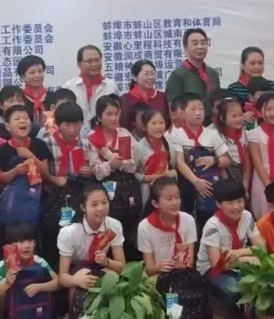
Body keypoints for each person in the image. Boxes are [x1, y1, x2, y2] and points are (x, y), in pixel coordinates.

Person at [139, 177, 212, 319]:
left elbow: (190, 261)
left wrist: (183, 263)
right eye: (169, 199)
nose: (175, 202)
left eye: (177, 197)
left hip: (184, 274)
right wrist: (160, 267)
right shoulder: (145, 227)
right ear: (155, 203)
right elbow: (149, 268)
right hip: (160, 277)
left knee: (199, 295)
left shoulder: (188, 220)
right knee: (174, 301)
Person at [196, 179, 263, 319]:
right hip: (212, 270)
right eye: (230, 203)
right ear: (219, 204)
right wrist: (246, 259)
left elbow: (261, 248)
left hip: (235, 263)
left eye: (239, 201)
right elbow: (216, 264)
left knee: (262, 280)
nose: (236, 207)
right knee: (235, 289)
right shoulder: (212, 226)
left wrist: (239, 253)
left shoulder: (247, 216)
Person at [57, 183, 127, 319]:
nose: (101, 208)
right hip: (77, 270)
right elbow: (62, 278)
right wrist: (77, 281)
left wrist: (107, 261)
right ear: (83, 207)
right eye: (94, 204)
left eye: (104, 202)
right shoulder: (69, 232)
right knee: (80, 286)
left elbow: (122, 267)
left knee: (112, 282)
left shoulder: (114, 225)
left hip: (102, 265)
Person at [84, 96, 140, 258]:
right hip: (105, 187)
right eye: (109, 114)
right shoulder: (92, 137)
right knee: (108, 226)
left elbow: (134, 164)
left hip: (127, 185)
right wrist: (110, 165)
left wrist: (118, 163)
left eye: (116, 113)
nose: (114, 118)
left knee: (129, 225)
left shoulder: (124, 133)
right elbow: (96, 170)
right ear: (99, 117)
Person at [40, 102, 95, 265]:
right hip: (54, 195)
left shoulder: (85, 143)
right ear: (58, 124)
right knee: (54, 233)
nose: (72, 130)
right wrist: (53, 178)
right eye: (67, 125)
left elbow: (94, 168)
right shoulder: (47, 142)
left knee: (76, 234)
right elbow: (40, 171)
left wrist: (89, 172)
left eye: (76, 124)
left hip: (78, 193)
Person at [169, 93, 231, 222]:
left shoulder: (212, 134)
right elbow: (179, 162)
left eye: (201, 109)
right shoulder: (177, 135)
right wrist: (196, 181)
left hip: (210, 185)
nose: (198, 113)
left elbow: (226, 161)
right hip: (187, 185)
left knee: (209, 219)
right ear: (183, 112)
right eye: (193, 109)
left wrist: (214, 160)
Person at [0, 105, 54, 230]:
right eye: (17, 119)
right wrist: (15, 172)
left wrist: (30, 155)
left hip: (36, 202)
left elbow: (45, 173)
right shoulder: (3, 150)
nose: (22, 121)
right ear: (8, 126)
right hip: (11, 204)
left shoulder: (39, 144)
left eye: (26, 118)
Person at [0, 222, 61, 311]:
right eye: (21, 242)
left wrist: (39, 287)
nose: (27, 246)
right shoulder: (2, 266)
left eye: (30, 241)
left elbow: (59, 283)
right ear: (9, 245)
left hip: (36, 309)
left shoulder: (38, 261)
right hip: (11, 312)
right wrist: (6, 283)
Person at [166, 28, 222, 121]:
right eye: (195, 44)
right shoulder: (177, 75)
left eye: (203, 43)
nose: (200, 47)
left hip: (213, 126)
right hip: (188, 126)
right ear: (185, 47)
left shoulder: (213, 73)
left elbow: (218, 102)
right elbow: (173, 111)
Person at [63, 45, 119, 130]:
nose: (94, 64)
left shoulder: (111, 86)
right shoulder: (69, 87)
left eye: (97, 60)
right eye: (89, 61)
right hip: (76, 136)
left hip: (104, 136)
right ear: (79, 64)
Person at [133, 108, 179, 209]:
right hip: (145, 191)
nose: (158, 127)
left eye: (161, 123)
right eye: (153, 123)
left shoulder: (169, 146)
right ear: (144, 126)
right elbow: (132, 173)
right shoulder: (138, 147)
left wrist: (170, 173)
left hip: (165, 191)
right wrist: (147, 178)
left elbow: (175, 169)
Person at [211, 98, 250, 193]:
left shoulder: (248, 135)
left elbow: (248, 168)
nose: (239, 119)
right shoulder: (215, 136)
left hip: (247, 183)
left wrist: (245, 188)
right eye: (234, 116)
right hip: (225, 187)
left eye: (241, 115)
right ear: (222, 118)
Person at [121, 59, 169, 130]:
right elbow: (124, 125)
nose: (150, 77)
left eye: (152, 73)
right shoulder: (125, 99)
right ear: (135, 77)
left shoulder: (163, 97)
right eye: (146, 74)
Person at [17, 54, 53, 123]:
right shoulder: (19, 99)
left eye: (40, 71)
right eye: (32, 73)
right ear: (22, 76)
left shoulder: (53, 97)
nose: (37, 75)